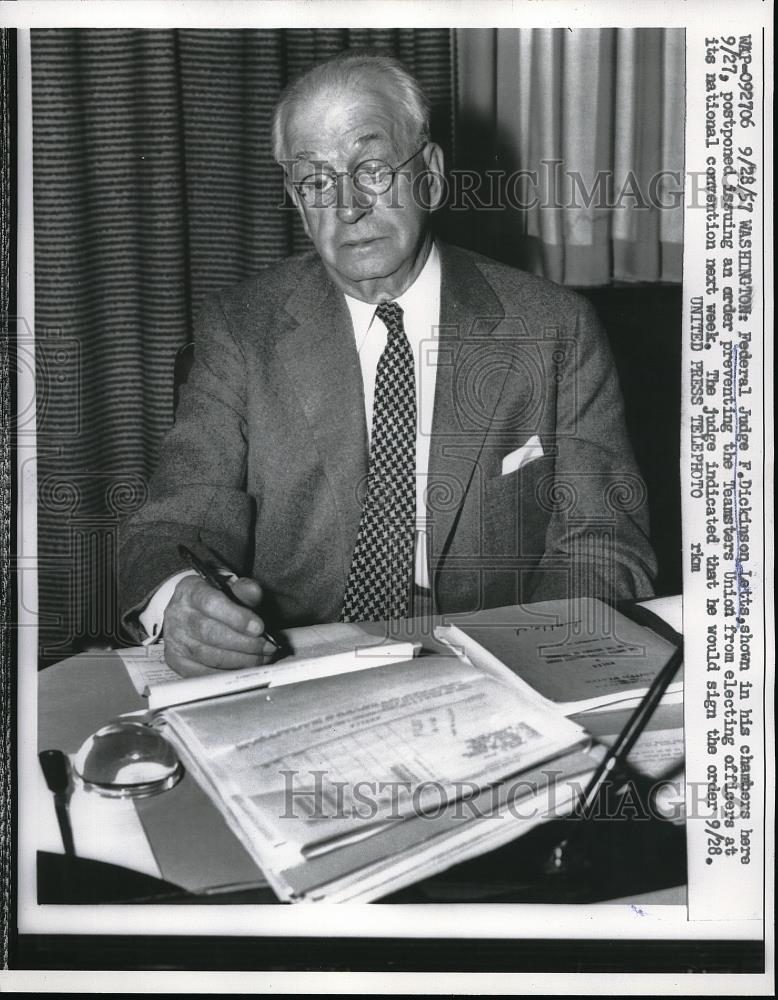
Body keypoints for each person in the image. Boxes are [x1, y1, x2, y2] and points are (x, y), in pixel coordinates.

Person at [119, 51, 657, 677]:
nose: (347, 206)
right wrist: (183, 598)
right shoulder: (242, 329)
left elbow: (603, 543)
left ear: (428, 173)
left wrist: (512, 662)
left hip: (494, 659)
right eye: (316, 180)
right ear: (295, 198)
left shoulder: (554, 327)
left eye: (372, 169)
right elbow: (180, 517)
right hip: (294, 665)